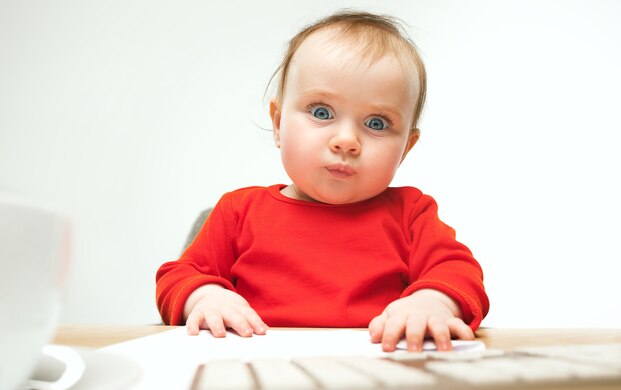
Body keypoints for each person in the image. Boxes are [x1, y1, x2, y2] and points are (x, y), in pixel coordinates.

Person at [156, 10, 489, 352]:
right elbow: (178, 277)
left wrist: (431, 302)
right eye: (321, 113)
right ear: (278, 124)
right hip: (261, 369)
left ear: (406, 147)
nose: (346, 141)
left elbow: (459, 272)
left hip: (377, 373)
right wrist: (206, 298)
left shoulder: (411, 214)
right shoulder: (238, 211)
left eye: (376, 123)